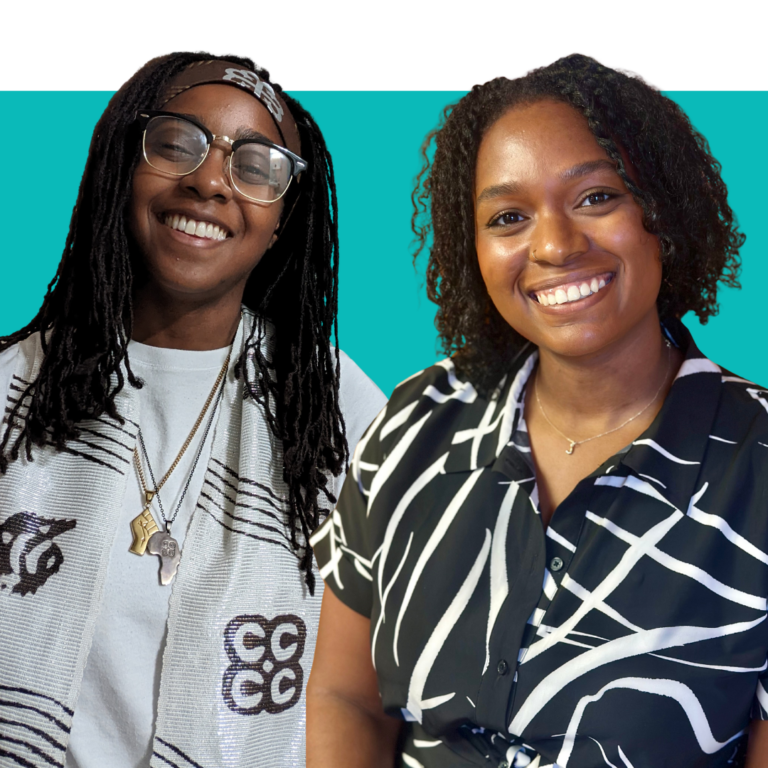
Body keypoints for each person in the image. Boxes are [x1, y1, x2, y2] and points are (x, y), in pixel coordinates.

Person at [307, 54, 768, 767]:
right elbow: (346, 698)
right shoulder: (416, 422)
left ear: (662, 213)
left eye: (595, 198)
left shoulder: (755, 463)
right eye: (510, 216)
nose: (553, 245)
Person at [0, 52, 386, 768]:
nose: (209, 180)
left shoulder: (335, 412)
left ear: (283, 219)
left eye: (257, 166)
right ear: (122, 167)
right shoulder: (12, 391)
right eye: (176, 144)